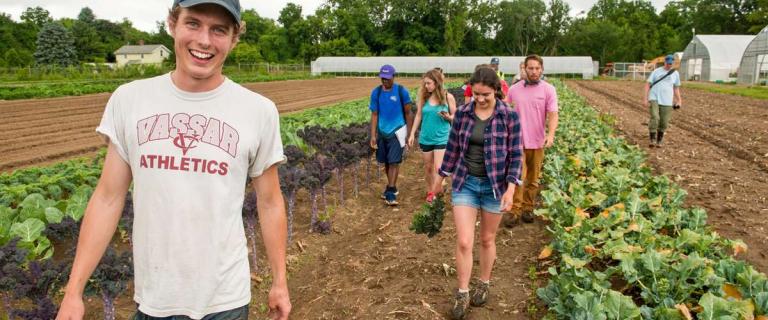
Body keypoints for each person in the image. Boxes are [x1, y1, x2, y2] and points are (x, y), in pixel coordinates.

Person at [56, 1, 291, 319]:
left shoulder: (258, 111)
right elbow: (108, 198)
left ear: (234, 38)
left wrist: (280, 281)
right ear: (172, 25)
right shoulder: (130, 100)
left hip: (225, 300)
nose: (204, 40)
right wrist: (73, 292)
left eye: (219, 30)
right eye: (193, 23)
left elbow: (270, 202)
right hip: (154, 298)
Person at [439, 67, 523, 320]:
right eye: (476, 94)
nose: (481, 99)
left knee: (487, 239)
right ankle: (462, 292)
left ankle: (484, 282)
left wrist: (511, 189)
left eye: (485, 94)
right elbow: (453, 147)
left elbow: (516, 155)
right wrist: (440, 178)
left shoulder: (509, 116)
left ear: (496, 90)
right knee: (464, 241)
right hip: (466, 182)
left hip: (495, 187)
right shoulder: (463, 114)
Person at [505, 54, 559, 226]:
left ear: (542, 69)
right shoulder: (514, 90)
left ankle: (528, 209)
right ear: (524, 69)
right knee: (518, 177)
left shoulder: (548, 89)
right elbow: (505, 111)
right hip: (517, 142)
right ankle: (515, 211)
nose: (534, 71)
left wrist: (550, 135)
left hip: (537, 142)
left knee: (533, 179)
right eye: (531, 68)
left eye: (537, 68)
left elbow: (553, 114)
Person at [407, 69, 457, 202]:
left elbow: (456, 117)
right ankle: (431, 190)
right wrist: (412, 134)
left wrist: (448, 117)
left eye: (428, 83)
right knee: (428, 168)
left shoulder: (448, 97)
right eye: (425, 83)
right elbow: (418, 115)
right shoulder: (424, 97)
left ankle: (434, 194)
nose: (426, 86)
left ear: (436, 83)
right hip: (426, 137)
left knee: (438, 168)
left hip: (442, 137)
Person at [369, 64, 413, 206]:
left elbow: (408, 113)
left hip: (397, 131)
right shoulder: (376, 93)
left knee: (394, 161)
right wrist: (373, 135)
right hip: (383, 132)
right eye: (382, 78)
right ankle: (391, 186)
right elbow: (374, 114)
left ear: (394, 77)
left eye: (387, 78)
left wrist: (409, 133)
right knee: (387, 162)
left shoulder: (401, 91)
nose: (385, 81)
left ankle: (391, 191)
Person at [643, 54, 682, 148]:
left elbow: (676, 88)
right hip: (654, 97)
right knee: (655, 117)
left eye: (671, 63)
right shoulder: (656, 71)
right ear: (664, 62)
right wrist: (645, 98)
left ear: (673, 63)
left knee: (664, 122)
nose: (669, 65)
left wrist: (679, 100)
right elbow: (648, 84)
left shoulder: (675, 74)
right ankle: (652, 139)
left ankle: (659, 141)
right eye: (668, 63)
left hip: (667, 101)